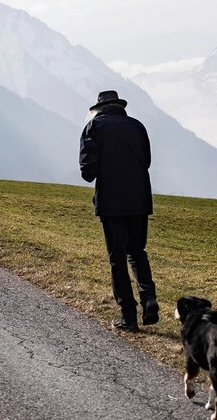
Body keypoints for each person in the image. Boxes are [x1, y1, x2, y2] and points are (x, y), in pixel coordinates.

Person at [79, 90, 158, 332]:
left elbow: (87, 171)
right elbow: (146, 161)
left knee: (117, 260)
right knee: (137, 252)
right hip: (139, 199)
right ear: (120, 106)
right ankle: (149, 299)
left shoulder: (94, 127)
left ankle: (128, 317)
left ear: (100, 108)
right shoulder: (137, 126)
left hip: (112, 203)